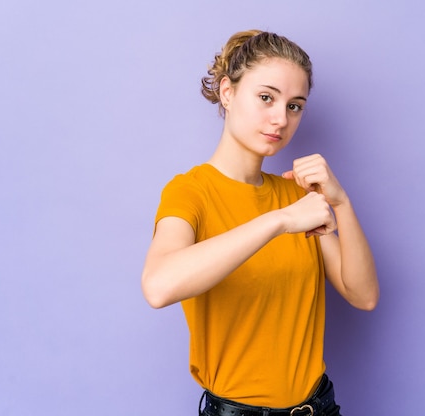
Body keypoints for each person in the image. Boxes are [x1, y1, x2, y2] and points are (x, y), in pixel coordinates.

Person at [141, 29, 379, 416]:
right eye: (266, 97)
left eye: (295, 106)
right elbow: (158, 286)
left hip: (318, 407)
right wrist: (280, 221)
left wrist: (342, 204)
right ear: (228, 92)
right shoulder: (190, 192)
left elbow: (363, 295)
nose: (280, 119)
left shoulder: (296, 196)